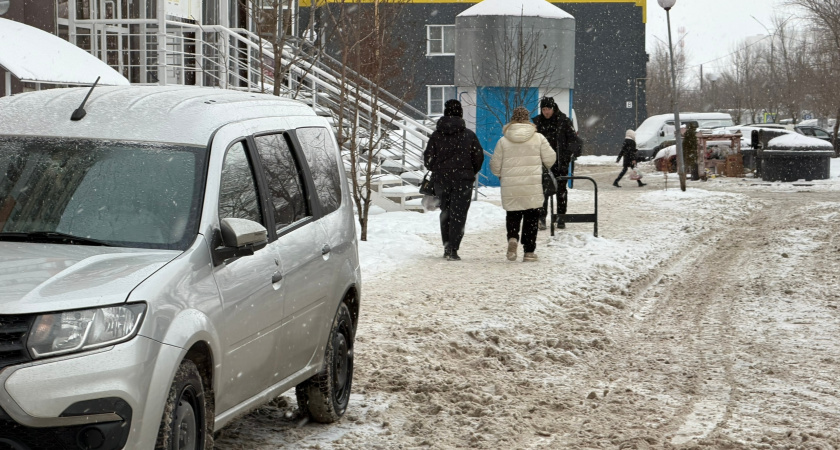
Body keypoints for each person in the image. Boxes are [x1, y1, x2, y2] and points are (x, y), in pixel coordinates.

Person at [490, 106, 556, 262]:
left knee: (513, 214)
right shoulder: (538, 138)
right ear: (528, 120)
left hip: (511, 185)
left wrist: (502, 175)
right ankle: (529, 251)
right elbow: (550, 159)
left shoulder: (503, 141)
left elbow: (494, 166)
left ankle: (513, 239)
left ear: (512, 120)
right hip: (532, 185)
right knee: (531, 217)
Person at [423, 99, 484, 261]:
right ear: (460, 114)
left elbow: (428, 159)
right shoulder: (469, 135)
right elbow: (478, 157)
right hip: (463, 180)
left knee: (446, 212)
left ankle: (447, 245)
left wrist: (439, 168)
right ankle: (453, 248)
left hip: (441, 180)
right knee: (459, 214)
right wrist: (469, 171)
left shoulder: (437, 135)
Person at [532, 97, 579, 230]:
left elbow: (574, 141)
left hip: (560, 162)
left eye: (548, 109)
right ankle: (541, 218)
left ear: (553, 108)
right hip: (542, 163)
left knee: (561, 190)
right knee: (542, 191)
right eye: (544, 109)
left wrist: (566, 157)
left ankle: (561, 218)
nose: (546, 112)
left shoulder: (563, 121)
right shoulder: (537, 123)